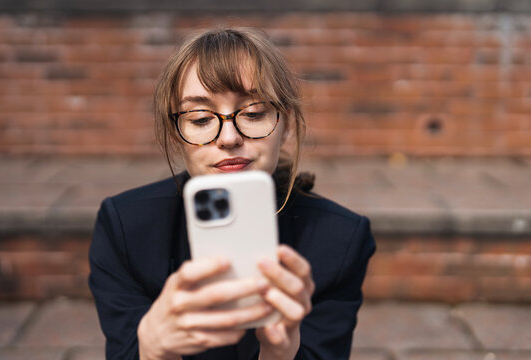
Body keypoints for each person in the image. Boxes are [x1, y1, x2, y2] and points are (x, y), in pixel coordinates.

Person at [89, 27, 376, 360]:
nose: (228, 137)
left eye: (253, 114)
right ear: (175, 132)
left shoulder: (339, 239)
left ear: (287, 126)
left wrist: (280, 352)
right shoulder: (126, 227)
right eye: (200, 119)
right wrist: (153, 349)